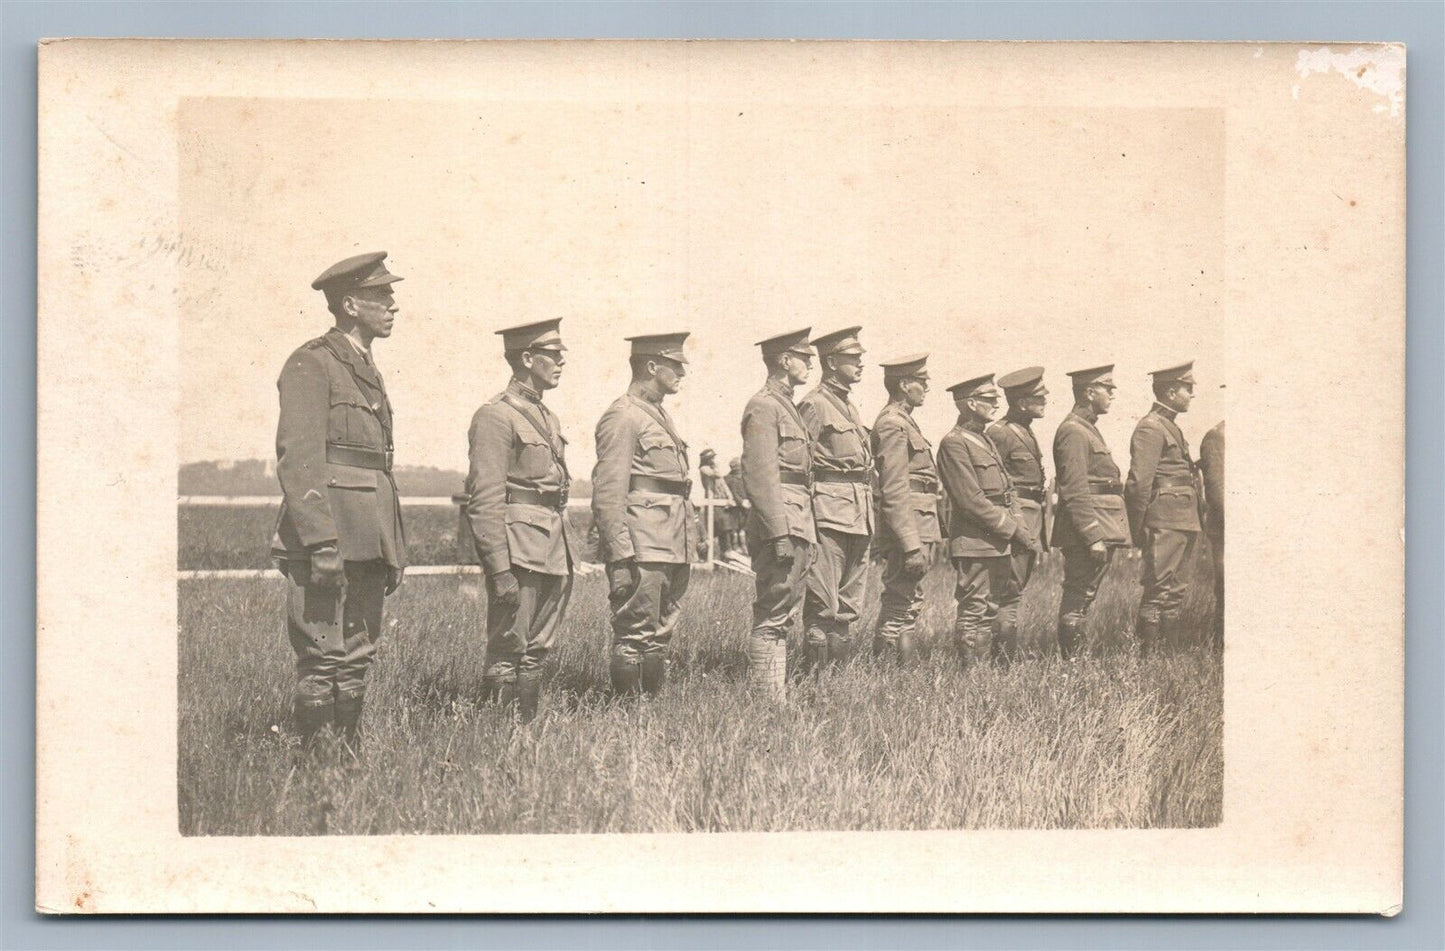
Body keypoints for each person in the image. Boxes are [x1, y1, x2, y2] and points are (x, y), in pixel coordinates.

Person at [271, 251, 407, 758]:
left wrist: (392, 544)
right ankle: (315, 771)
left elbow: (378, 468)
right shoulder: (312, 361)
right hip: (328, 535)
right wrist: (321, 542)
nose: (393, 304)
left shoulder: (364, 366)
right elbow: (299, 459)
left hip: (369, 535)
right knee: (321, 657)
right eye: (381, 296)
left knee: (356, 656)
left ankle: (347, 763)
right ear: (350, 304)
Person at [464, 318, 575, 723]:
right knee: (508, 646)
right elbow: (485, 497)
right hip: (518, 548)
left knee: (538, 648)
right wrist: (499, 568)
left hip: (553, 541)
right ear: (527, 358)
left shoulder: (547, 416)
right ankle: (496, 736)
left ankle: (526, 735)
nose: (562, 361)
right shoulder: (495, 416)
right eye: (553, 354)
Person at [591, 333, 696, 697]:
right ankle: (627, 718)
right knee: (634, 633)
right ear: (652, 366)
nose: (683, 371)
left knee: (661, 633)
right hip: (643, 543)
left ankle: (650, 715)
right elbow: (608, 492)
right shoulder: (623, 415)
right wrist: (619, 553)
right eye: (676, 364)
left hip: (672, 540)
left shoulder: (658, 414)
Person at [938, 374, 1042, 669]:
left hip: (998, 540)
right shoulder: (954, 443)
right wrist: (1012, 530)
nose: (996, 403)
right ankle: (970, 679)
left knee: (991, 608)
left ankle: (984, 675)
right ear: (971, 403)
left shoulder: (984, 440)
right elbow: (970, 500)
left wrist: (1018, 527)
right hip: (975, 541)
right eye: (988, 399)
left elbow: (1008, 491)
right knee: (974, 609)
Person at [740, 328, 817, 698]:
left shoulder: (786, 405)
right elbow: (759, 473)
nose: (811, 364)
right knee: (773, 611)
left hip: (797, 517)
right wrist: (778, 531)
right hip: (783, 522)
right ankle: (769, 701)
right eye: (805, 357)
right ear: (785, 361)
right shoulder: (764, 405)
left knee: (784, 610)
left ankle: (776, 697)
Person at [797, 327, 874, 673]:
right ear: (831, 362)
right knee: (822, 604)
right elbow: (800, 463)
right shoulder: (814, 404)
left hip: (859, 512)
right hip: (827, 513)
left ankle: (836, 683)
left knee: (847, 607)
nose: (860, 364)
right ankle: (815, 682)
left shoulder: (848, 406)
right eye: (852, 358)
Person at [1050, 364, 1131, 659]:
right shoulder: (1073, 431)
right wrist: (1092, 535)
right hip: (1088, 531)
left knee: (1084, 597)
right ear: (1088, 392)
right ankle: (1073, 665)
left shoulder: (1087, 429)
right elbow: (1074, 488)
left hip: (1099, 526)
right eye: (1106, 388)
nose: (1112, 394)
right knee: (1078, 597)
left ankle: (1076, 662)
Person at [1126, 361, 1203, 654]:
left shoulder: (1169, 425)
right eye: (1188, 389)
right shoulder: (1150, 427)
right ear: (1171, 392)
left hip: (1184, 517)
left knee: (1176, 591)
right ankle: (1148, 658)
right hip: (1166, 518)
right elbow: (1138, 483)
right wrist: (1137, 529)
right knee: (1158, 590)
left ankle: (1167, 657)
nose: (1192, 395)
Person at [870, 353, 941, 665]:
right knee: (899, 600)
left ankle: (902, 675)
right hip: (908, 527)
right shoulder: (892, 425)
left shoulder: (905, 423)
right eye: (921, 381)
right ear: (903, 384)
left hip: (918, 524)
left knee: (909, 600)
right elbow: (895, 488)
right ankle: (887, 674)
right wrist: (911, 544)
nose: (927, 386)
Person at [987, 366, 1050, 661]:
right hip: (1015, 522)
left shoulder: (1024, 431)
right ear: (1022, 402)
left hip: (1031, 518)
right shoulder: (1000, 433)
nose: (1046, 397)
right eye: (1039, 395)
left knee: (1014, 591)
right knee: (1006, 592)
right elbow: (992, 484)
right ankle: (1002, 663)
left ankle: (1004, 660)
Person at [1199, 418, 1225, 648]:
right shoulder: (1217, 437)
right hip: (1227, 531)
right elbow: (1217, 493)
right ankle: (1220, 647)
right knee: (1227, 591)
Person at [698, 448, 735, 560]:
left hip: (721, 504)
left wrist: (729, 496)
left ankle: (725, 557)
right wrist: (716, 466)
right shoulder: (704, 469)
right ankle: (705, 558)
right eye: (712, 458)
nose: (714, 460)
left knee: (725, 532)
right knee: (710, 533)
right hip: (712, 504)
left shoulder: (713, 469)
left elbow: (722, 483)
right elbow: (716, 474)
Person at [723, 457, 749, 556]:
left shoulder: (743, 477)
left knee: (742, 528)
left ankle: (743, 547)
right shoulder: (730, 479)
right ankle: (736, 547)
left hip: (744, 506)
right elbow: (733, 492)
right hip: (734, 507)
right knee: (735, 528)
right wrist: (741, 501)